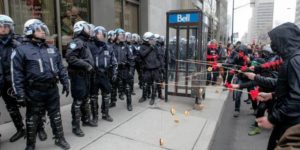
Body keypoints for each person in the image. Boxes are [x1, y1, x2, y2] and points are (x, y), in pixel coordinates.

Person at [12, 19, 70, 150]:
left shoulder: (51, 48)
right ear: (29, 31)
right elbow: (16, 74)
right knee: (32, 117)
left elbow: (60, 67)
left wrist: (65, 82)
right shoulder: (21, 50)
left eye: (43, 29)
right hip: (34, 90)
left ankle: (60, 138)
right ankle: (30, 145)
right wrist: (19, 94)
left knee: (56, 115)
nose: (43, 32)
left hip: (52, 89)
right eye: (39, 29)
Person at [255, 22, 300, 150]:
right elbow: (292, 88)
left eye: (275, 41)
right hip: (289, 122)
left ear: (284, 40)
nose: (273, 45)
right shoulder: (293, 58)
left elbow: (296, 99)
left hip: (291, 125)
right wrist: (272, 95)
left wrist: (272, 119)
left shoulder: (295, 60)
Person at [66, 20, 96, 137]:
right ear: (80, 29)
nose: (89, 30)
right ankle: (76, 126)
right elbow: (70, 58)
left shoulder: (84, 42)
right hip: (78, 76)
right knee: (78, 101)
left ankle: (86, 120)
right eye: (87, 28)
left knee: (85, 99)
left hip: (85, 76)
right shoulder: (76, 42)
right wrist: (87, 65)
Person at [88, 26, 117, 124]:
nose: (102, 35)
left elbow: (114, 61)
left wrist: (114, 73)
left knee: (106, 95)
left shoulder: (108, 47)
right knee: (93, 97)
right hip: (93, 75)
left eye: (103, 33)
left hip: (105, 74)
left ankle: (105, 114)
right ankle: (95, 116)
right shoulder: (89, 46)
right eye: (100, 33)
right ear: (95, 34)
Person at [110, 28, 135, 111]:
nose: (123, 36)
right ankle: (113, 102)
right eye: (121, 35)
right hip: (116, 70)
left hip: (125, 70)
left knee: (127, 88)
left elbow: (131, 59)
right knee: (113, 87)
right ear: (116, 36)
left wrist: (131, 70)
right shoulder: (112, 46)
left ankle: (129, 104)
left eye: (123, 35)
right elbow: (110, 59)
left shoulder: (126, 46)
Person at [138, 32, 161, 105]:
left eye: (153, 39)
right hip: (147, 68)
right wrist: (150, 48)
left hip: (155, 68)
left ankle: (153, 98)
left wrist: (160, 65)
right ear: (147, 39)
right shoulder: (142, 47)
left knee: (154, 84)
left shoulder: (155, 46)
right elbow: (142, 55)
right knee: (145, 83)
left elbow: (158, 56)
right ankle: (144, 96)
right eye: (152, 39)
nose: (153, 40)